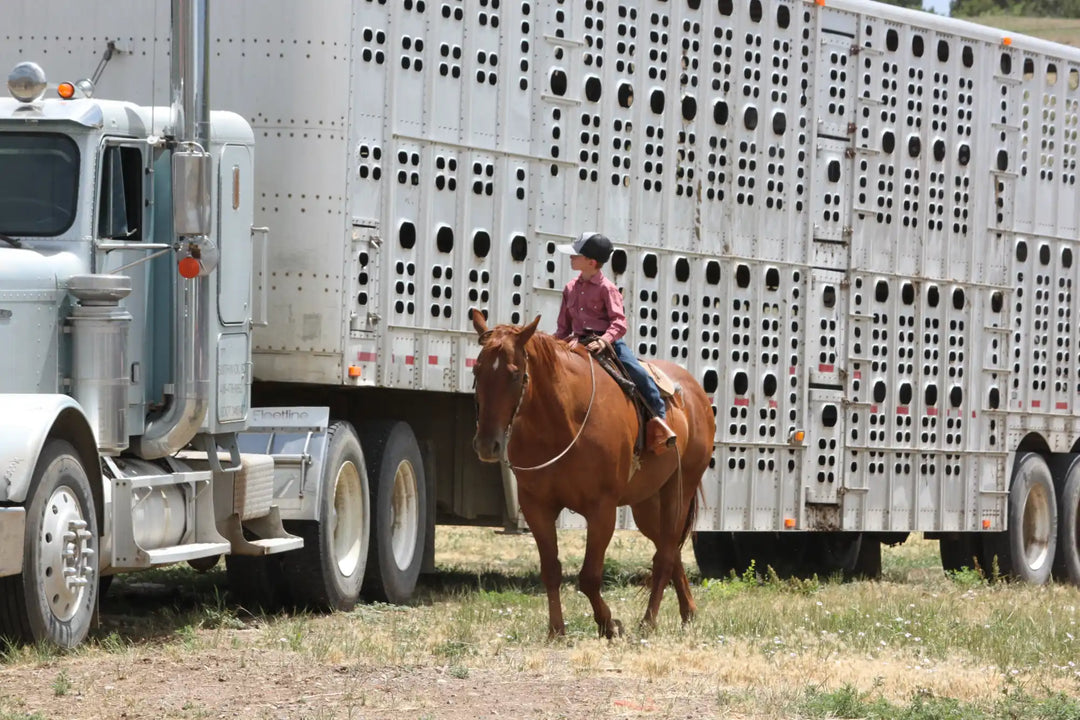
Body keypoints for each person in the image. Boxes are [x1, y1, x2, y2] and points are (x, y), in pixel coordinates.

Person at [553, 232, 677, 454]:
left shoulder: (607, 288)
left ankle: (659, 420)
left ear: (591, 262)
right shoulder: (570, 288)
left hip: (607, 343)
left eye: (576, 255)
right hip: (577, 342)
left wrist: (604, 340)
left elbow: (619, 323)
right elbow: (563, 328)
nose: (571, 258)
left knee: (637, 373)